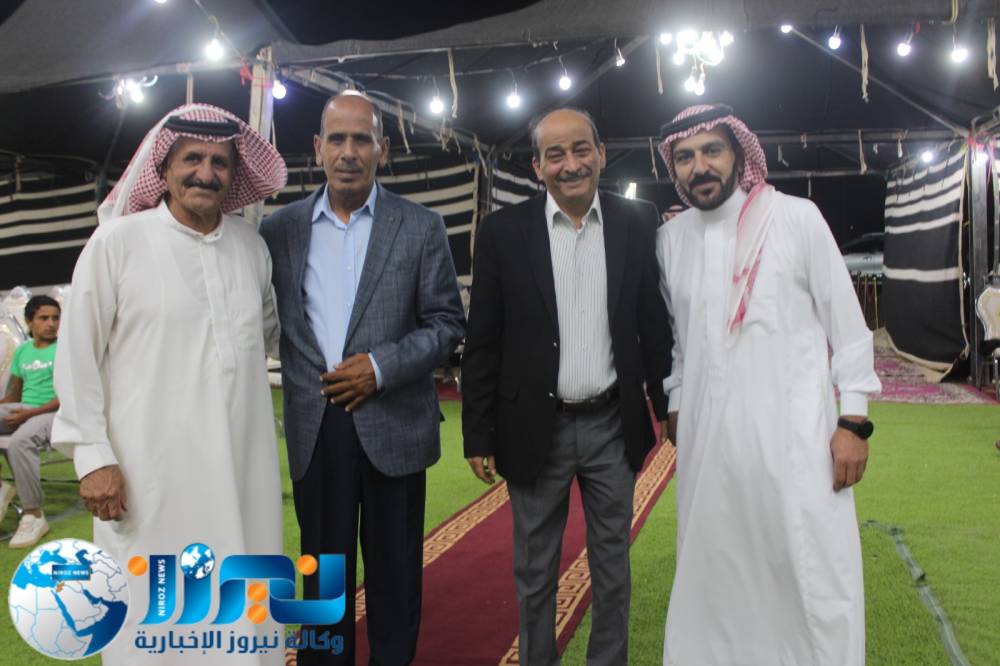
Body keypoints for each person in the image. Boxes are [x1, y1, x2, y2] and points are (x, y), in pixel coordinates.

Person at [51, 103, 288, 665]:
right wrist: (92, 457)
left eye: (220, 163)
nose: (206, 173)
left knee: (241, 600)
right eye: (192, 159)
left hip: (243, 472)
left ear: (235, 175)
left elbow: (273, 338)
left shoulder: (251, 248)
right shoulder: (117, 243)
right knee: (151, 611)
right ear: (163, 168)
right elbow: (77, 356)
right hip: (147, 474)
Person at [655, 104, 881, 665]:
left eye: (712, 151)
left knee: (808, 566)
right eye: (685, 157)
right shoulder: (671, 239)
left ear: (738, 153)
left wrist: (853, 421)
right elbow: (680, 338)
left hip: (795, 440)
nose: (699, 167)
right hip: (709, 445)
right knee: (715, 569)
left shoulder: (796, 218)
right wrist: (678, 400)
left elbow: (848, 329)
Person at [259, 91, 465, 666]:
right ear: (317, 147)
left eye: (362, 139)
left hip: (394, 424)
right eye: (337, 139)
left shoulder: (421, 226)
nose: (348, 152)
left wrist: (379, 368)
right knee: (322, 579)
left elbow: (447, 323)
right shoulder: (279, 231)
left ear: (383, 149)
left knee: (395, 575)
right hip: (315, 427)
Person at [461, 108, 672, 666]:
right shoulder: (504, 233)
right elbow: (483, 340)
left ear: (601, 153)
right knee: (535, 572)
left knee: (612, 568)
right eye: (554, 154)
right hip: (534, 428)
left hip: (612, 426)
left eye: (581, 149)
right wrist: (477, 433)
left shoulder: (638, 221)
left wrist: (666, 404)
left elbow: (652, 325)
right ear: (537, 166)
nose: (570, 164)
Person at [0, 294, 61, 548]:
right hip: (24, 408)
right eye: (44, 318)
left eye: (55, 318)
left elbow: (66, 397)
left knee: (19, 442)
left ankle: (33, 514)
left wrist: (27, 415)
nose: (51, 323)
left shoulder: (65, 350)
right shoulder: (23, 351)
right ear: (29, 321)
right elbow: (14, 394)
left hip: (55, 412)